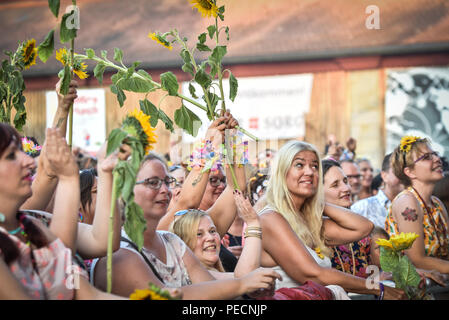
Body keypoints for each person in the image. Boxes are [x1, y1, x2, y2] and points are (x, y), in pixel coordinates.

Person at [92, 116, 282, 299]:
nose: (165, 190)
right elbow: (167, 297)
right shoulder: (120, 253)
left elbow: (210, 287)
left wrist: (233, 140)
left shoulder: (172, 241)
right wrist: (208, 147)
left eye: (167, 181)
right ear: (125, 189)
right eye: (153, 182)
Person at [257, 140, 406, 299]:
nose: (309, 172)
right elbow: (314, 275)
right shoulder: (271, 218)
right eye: (299, 165)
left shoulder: (310, 221)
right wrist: (378, 289)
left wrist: (316, 201)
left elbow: (364, 227)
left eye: (314, 166)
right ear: (282, 172)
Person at [0, 123, 127, 299]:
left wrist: (105, 171)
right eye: (12, 155)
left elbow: (90, 294)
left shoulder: (35, 225)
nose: (30, 161)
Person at [170, 190, 266, 283]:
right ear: (182, 244)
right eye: (199, 234)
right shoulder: (191, 276)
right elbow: (246, 279)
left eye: (212, 231)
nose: (210, 238)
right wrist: (253, 223)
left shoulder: (215, 271)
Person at [385, 136, 449, 274]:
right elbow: (417, 259)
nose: (437, 159)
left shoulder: (437, 204)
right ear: (410, 172)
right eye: (427, 157)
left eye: (435, 154)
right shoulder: (407, 202)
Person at [351, 153, 405, 228]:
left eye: (371, 170)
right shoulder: (361, 207)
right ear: (384, 176)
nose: (369, 173)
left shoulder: (414, 204)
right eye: (364, 170)